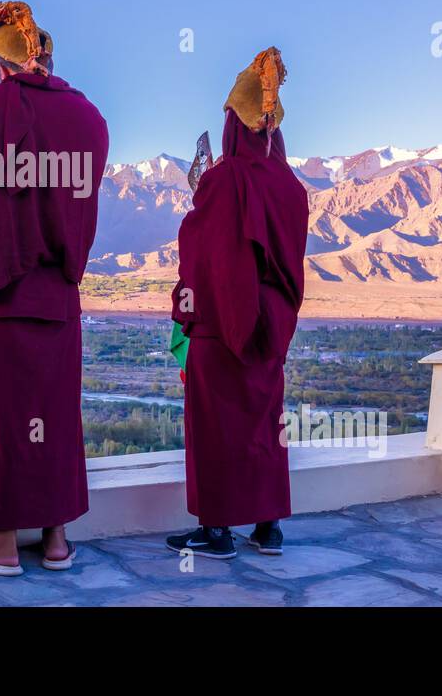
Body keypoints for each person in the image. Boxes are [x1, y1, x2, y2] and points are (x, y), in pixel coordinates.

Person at [0, 0, 109, 576]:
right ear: (47, 58)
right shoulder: (89, 119)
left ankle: (2, 544)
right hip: (55, 296)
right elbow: (77, 208)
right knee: (50, 414)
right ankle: (55, 540)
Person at [166, 48, 309, 559]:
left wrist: (199, 196)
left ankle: (217, 530)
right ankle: (268, 527)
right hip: (271, 327)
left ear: (232, 124)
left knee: (216, 427)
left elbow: (206, 253)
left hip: (221, 325)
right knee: (263, 427)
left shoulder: (225, 181)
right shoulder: (292, 188)